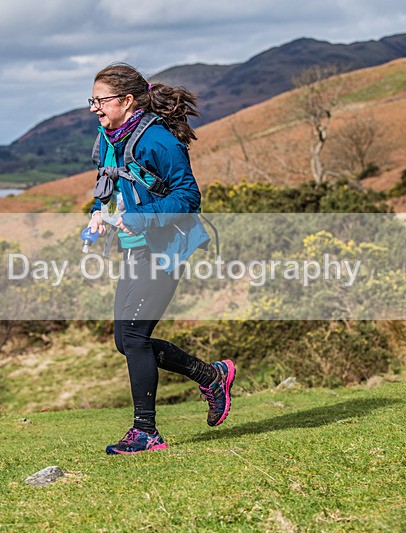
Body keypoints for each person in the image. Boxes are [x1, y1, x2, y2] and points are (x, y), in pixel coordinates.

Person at [86, 63, 235, 455]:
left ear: (127, 100)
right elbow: (109, 185)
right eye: (93, 100)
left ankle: (146, 431)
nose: (94, 108)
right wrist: (98, 214)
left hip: (166, 248)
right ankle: (211, 376)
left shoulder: (158, 139)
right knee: (125, 340)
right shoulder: (108, 137)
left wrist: (137, 217)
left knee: (134, 337)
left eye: (101, 100)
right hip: (135, 248)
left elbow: (188, 198)